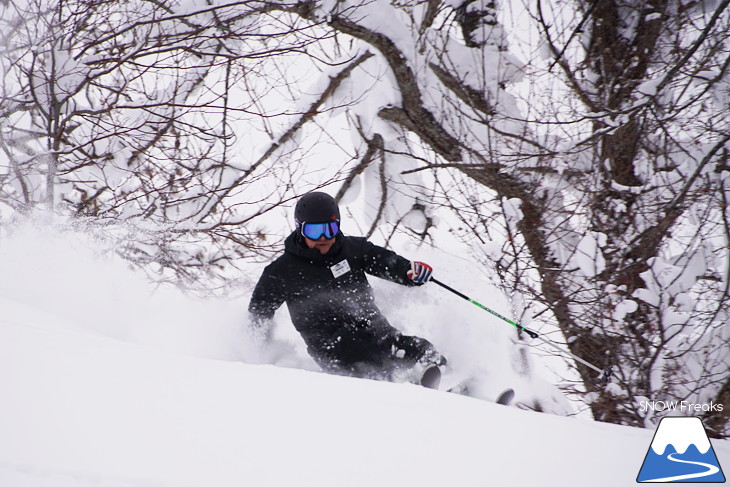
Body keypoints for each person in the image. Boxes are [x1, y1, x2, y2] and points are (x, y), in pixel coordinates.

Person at [248, 191, 446, 382]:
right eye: (314, 231)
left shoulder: (352, 250)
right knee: (366, 356)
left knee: (423, 351)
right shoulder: (282, 271)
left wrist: (408, 272)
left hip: (377, 331)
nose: (323, 238)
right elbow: (259, 312)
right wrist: (258, 352)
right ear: (300, 229)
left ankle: (450, 385)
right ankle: (399, 389)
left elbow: (385, 262)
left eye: (330, 229)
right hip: (333, 346)